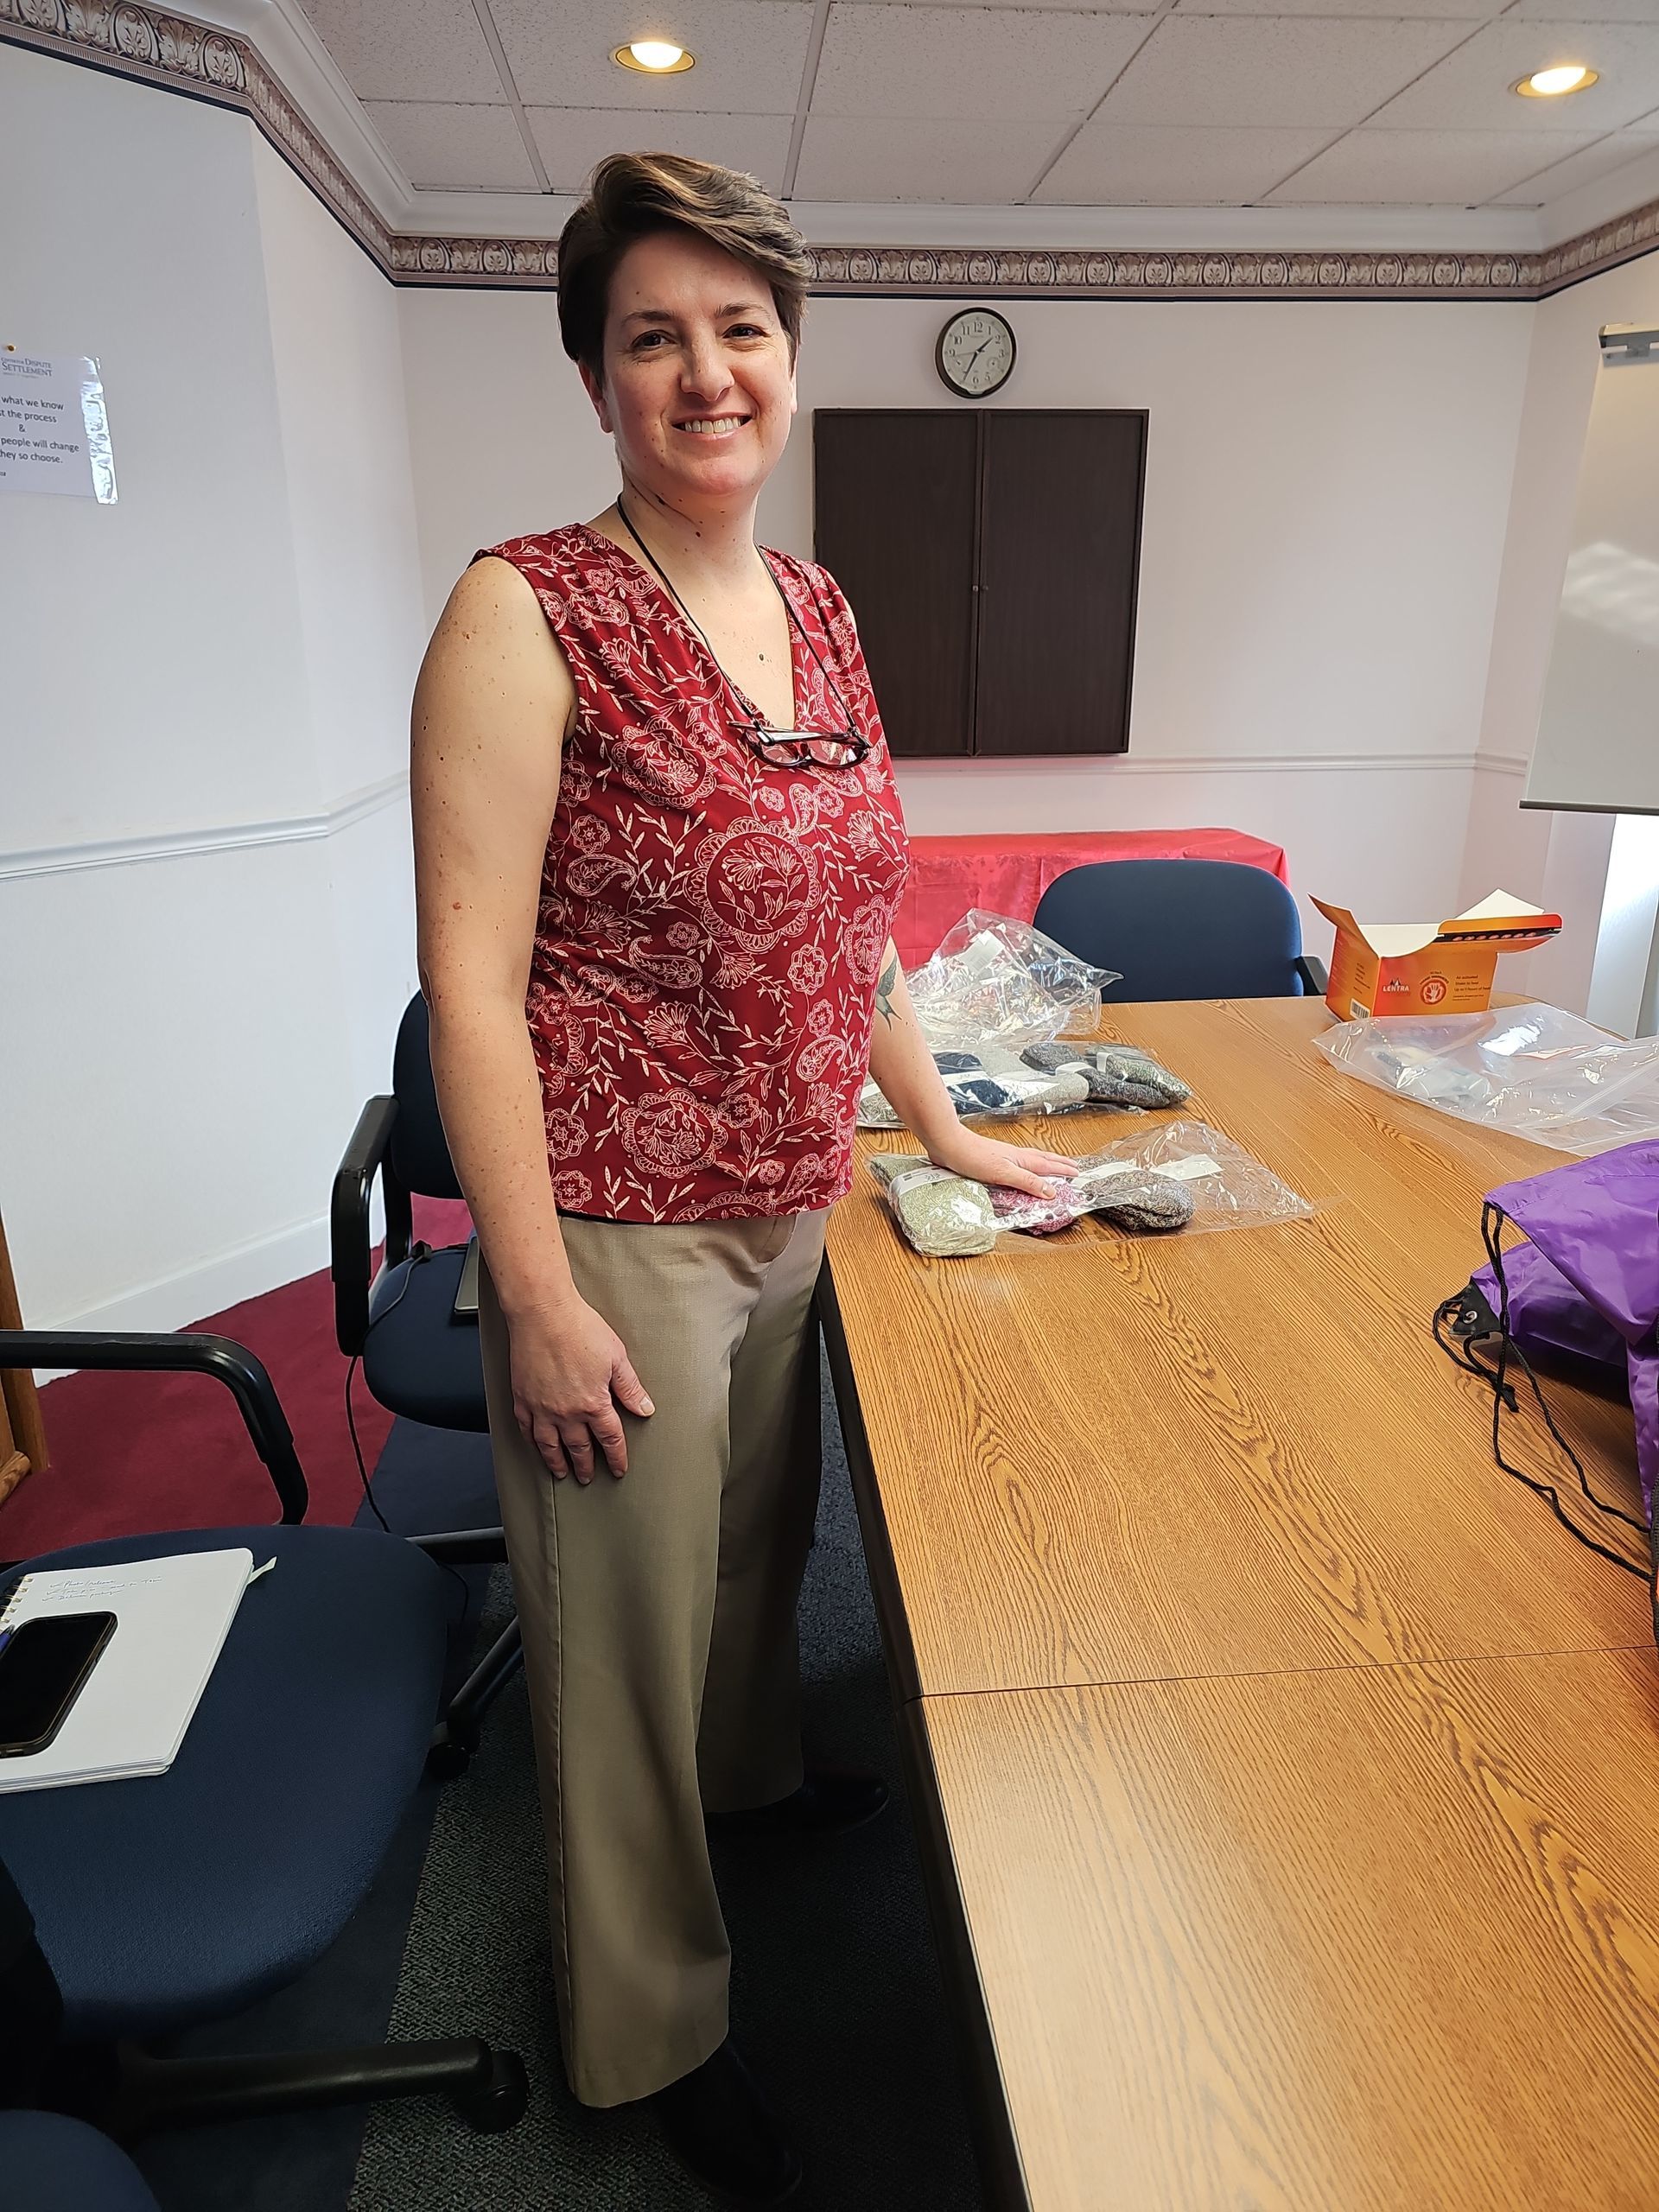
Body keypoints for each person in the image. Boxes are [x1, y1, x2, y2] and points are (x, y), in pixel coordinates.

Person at [410, 151, 1076, 2204]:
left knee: (749, 1564)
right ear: (595, 378)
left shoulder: (821, 605)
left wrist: (938, 1127)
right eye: (654, 336)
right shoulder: (526, 609)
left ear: (791, 358)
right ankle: (650, 2028)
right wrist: (533, 1293)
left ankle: (755, 1783)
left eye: (742, 329)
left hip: (792, 1194)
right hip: (615, 1223)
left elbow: (856, 915)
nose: (706, 372)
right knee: (617, 1654)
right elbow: (472, 986)